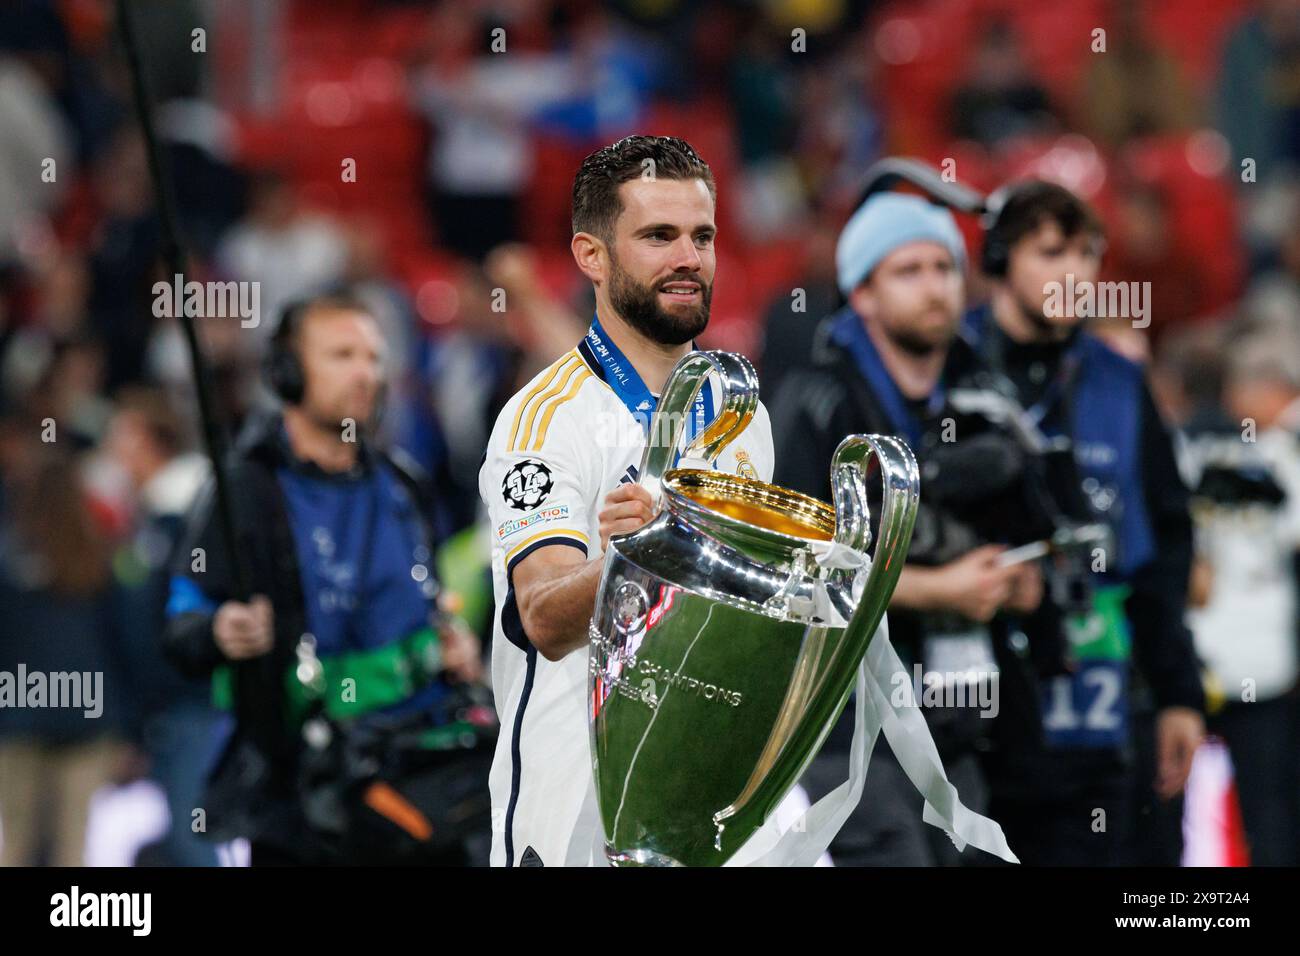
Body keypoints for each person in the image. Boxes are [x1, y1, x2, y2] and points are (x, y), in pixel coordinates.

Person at [479, 136, 778, 867]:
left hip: (710, 804)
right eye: (658, 236)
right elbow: (542, 617)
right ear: (591, 255)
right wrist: (634, 560)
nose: (689, 258)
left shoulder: (743, 414)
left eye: (702, 236)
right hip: (577, 814)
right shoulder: (543, 419)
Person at [163, 293, 482, 865]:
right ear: (285, 371)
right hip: (305, 803)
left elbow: (433, 600)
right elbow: (181, 624)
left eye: (373, 356)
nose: (365, 373)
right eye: (341, 355)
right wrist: (219, 631)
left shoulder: (404, 483)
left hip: (421, 786)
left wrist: (451, 641)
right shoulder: (244, 493)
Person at [771, 192, 1040, 865]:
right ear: (861, 294)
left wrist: (1023, 579)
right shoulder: (813, 406)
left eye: (944, 268)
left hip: (961, 725)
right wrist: (938, 589)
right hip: (848, 739)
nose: (935, 287)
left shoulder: (984, 399)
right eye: (908, 270)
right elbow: (791, 573)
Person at [959, 180, 1205, 865]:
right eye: (1050, 252)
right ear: (1002, 259)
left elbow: (1165, 540)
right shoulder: (945, 370)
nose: (1074, 272)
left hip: (1102, 711)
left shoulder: (1118, 383)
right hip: (971, 720)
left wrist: (1178, 693)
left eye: (1086, 253)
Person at [1183, 329, 1300, 865]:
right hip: (1215, 661)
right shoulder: (1189, 453)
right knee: (1227, 809)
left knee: (1267, 811)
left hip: (1255, 664)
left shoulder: (1282, 456)